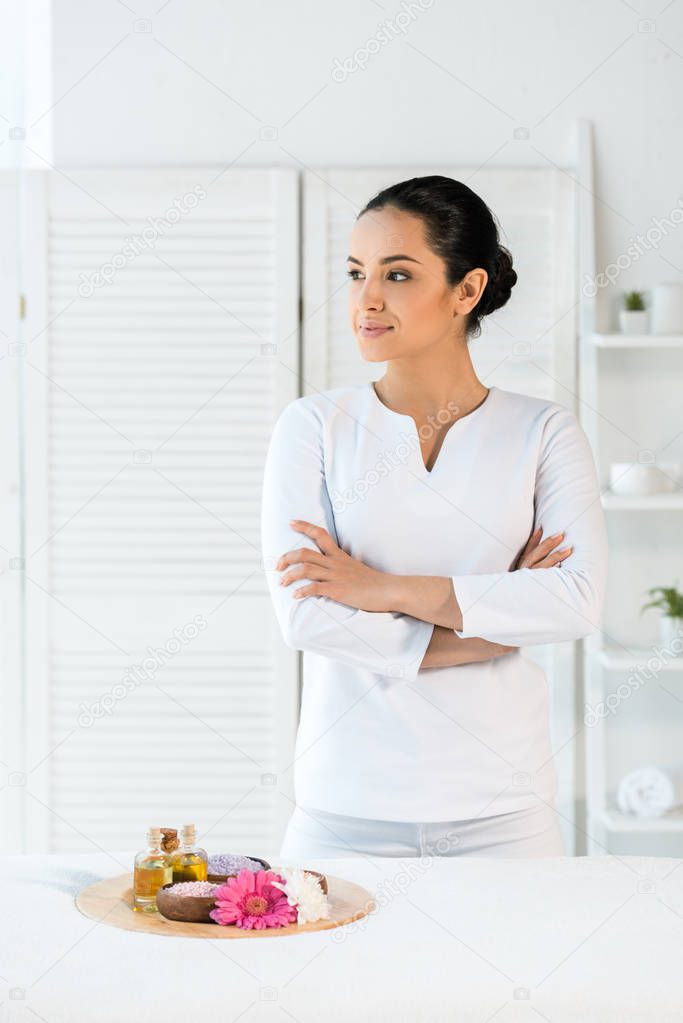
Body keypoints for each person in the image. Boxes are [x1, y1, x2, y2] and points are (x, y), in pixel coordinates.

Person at [260, 175, 608, 860]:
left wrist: (379, 588)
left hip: (502, 812)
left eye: (396, 273)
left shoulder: (543, 431)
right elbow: (305, 616)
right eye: (356, 272)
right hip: (343, 809)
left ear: (466, 290)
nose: (365, 298)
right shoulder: (311, 428)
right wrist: (495, 625)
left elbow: (574, 601)